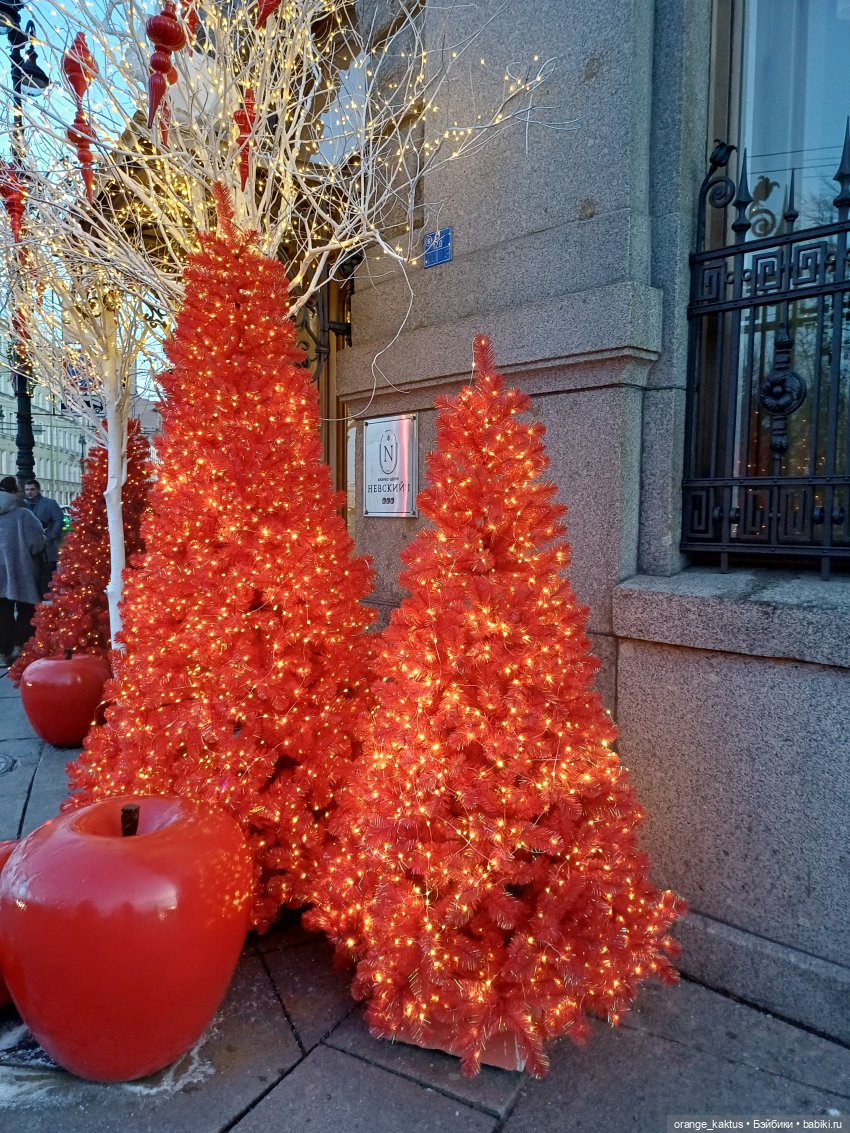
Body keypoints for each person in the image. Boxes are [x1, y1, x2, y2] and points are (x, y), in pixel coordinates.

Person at [0, 475, 46, 667]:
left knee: (2, 611)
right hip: (20, 569)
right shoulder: (23, 515)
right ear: (13, 493)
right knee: (27, 607)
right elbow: (37, 543)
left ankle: (5, 650)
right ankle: (19, 645)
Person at [23, 479, 63, 598]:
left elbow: (58, 519)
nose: (29, 492)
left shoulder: (49, 504)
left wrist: (51, 536)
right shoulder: (21, 505)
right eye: (27, 490)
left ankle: (47, 599)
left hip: (47, 547)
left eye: (32, 489)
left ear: (38, 490)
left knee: (48, 576)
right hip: (28, 549)